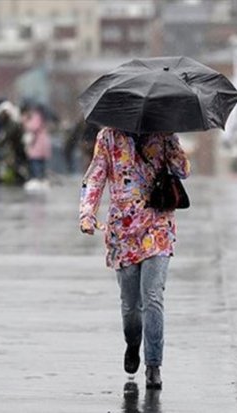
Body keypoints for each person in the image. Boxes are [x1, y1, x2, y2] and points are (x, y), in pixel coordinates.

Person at [79, 127, 191, 389]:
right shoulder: (108, 137)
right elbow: (96, 176)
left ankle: (154, 365)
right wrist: (87, 213)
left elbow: (184, 170)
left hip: (158, 226)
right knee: (131, 307)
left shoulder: (164, 133)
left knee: (152, 295)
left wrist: (172, 144)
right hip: (123, 231)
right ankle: (133, 343)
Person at [0, 101, 27, 185]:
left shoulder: (12, 123)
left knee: (18, 166)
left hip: (17, 149)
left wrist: (0, 143)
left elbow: (7, 135)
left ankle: (20, 179)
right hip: (14, 149)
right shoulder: (7, 124)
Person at [22, 105, 52, 190]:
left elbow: (31, 127)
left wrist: (25, 121)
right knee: (40, 163)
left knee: (36, 163)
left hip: (37, 145)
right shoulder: (41, 118)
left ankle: (38, 180)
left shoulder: (36, 117)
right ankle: (41, 179)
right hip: (40, 145)